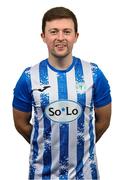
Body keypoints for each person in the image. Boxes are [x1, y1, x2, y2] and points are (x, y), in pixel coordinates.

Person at [12, 6, 112, 180]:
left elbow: (103, 122)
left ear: (76, 36)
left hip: (85, 174)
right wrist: (47, 146)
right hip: (41, 174)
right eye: (53, 32)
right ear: (43, 36)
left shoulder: (94, 74)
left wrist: (80, 144)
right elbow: (21, 123)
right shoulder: (29, 77)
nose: (60, 38)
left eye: (66, 31)